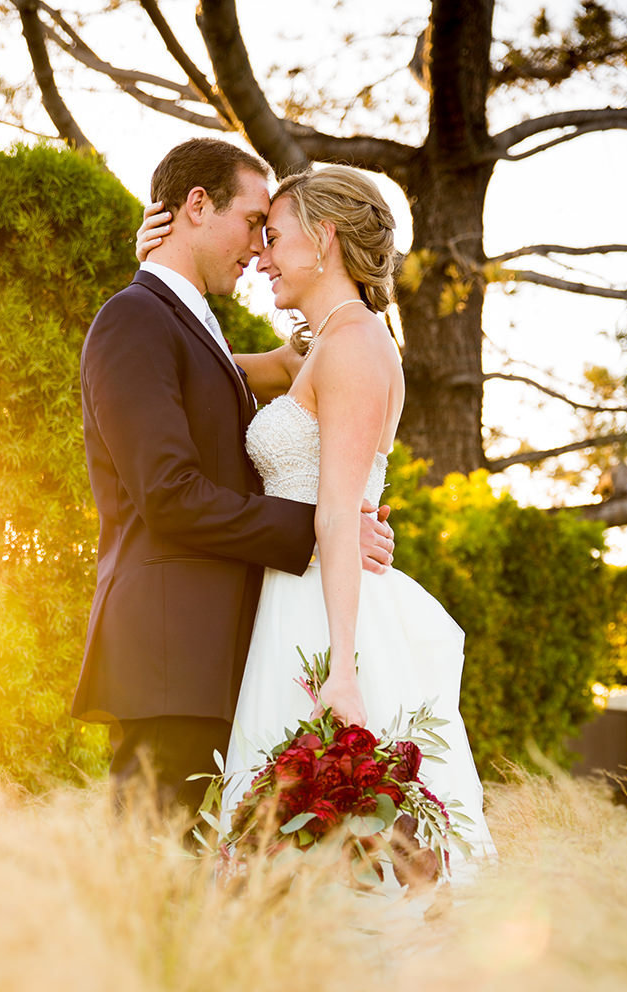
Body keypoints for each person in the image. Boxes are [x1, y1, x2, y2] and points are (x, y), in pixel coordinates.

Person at [138, 165, 494, 863]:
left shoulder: (358, 345)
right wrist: (158, 274)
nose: (260, 255)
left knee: (333, 839)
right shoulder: (317, 347)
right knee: (284, 843)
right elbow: (197, 365)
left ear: (324, 238)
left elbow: (335, 516)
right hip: (288, 597)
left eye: (273, 237)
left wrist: (342, 669)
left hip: (325, 612)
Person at [72, 139, 395, 832]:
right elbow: (170, 497)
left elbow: (240, 380)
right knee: (152, 882)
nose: (260, 247)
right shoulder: (134, 318)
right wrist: (315, 528)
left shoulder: (187, 328)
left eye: (274, 233)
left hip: (225, 657)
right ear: (196, 205)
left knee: (202, 887)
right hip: (171, 660)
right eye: (254, 223)